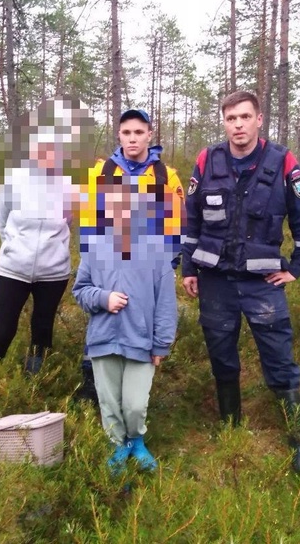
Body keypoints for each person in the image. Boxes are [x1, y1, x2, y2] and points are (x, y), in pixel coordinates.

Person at [181, 90, 300, 482]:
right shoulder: (208, 160)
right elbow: (191, 219)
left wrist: (297, 267)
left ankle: (299, 445)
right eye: (231, 118)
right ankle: (231, 428)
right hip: (216, 281)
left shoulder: (282, 161)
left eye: (245, 117)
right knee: (221, 354)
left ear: (259, 119)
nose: (238, 125)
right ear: (223, 122)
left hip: (262, 284)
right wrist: (189, 267)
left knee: (280, 360)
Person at [0, 96, 92, 394]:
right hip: (13, 269)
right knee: (3, 330)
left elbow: (72, 223)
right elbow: (4, 222)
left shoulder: (72, 184)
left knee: (42, 330)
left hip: (54, 274)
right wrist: (17, 249)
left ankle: (31, 388)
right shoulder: (13, 179)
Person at [75, 107, 185, 404]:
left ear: (150, 134)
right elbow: (89, 221)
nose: (133, 138)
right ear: (119, 135)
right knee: (103, 314)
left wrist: (168, 264)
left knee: (142, 320)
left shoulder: (165, 175)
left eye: (139, 132)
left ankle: (138, 392)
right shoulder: (102, 172)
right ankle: (93, 385)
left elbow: (176, 226)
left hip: (148, 263)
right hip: (106, 259)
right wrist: (91, 260)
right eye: (126, 132)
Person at [73, 175, 179, 472]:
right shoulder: (94, 251)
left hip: (141, 343)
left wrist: (161, 344)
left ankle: (136, 439)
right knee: (109, 403)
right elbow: (80, 292)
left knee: (134, 404)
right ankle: (117, 445)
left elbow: (167, 306)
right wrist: (103, 298)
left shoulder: (159, 255)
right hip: (103, 341)